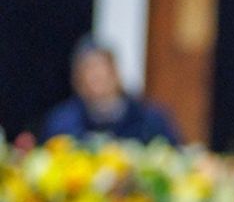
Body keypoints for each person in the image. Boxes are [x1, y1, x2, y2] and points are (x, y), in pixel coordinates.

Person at [42, 37, 182, 144]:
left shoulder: (149, 119)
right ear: (77, 79)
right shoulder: (63, 122)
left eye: (102, 70)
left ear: (115, 73)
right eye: (89, 71)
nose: (96, 77)